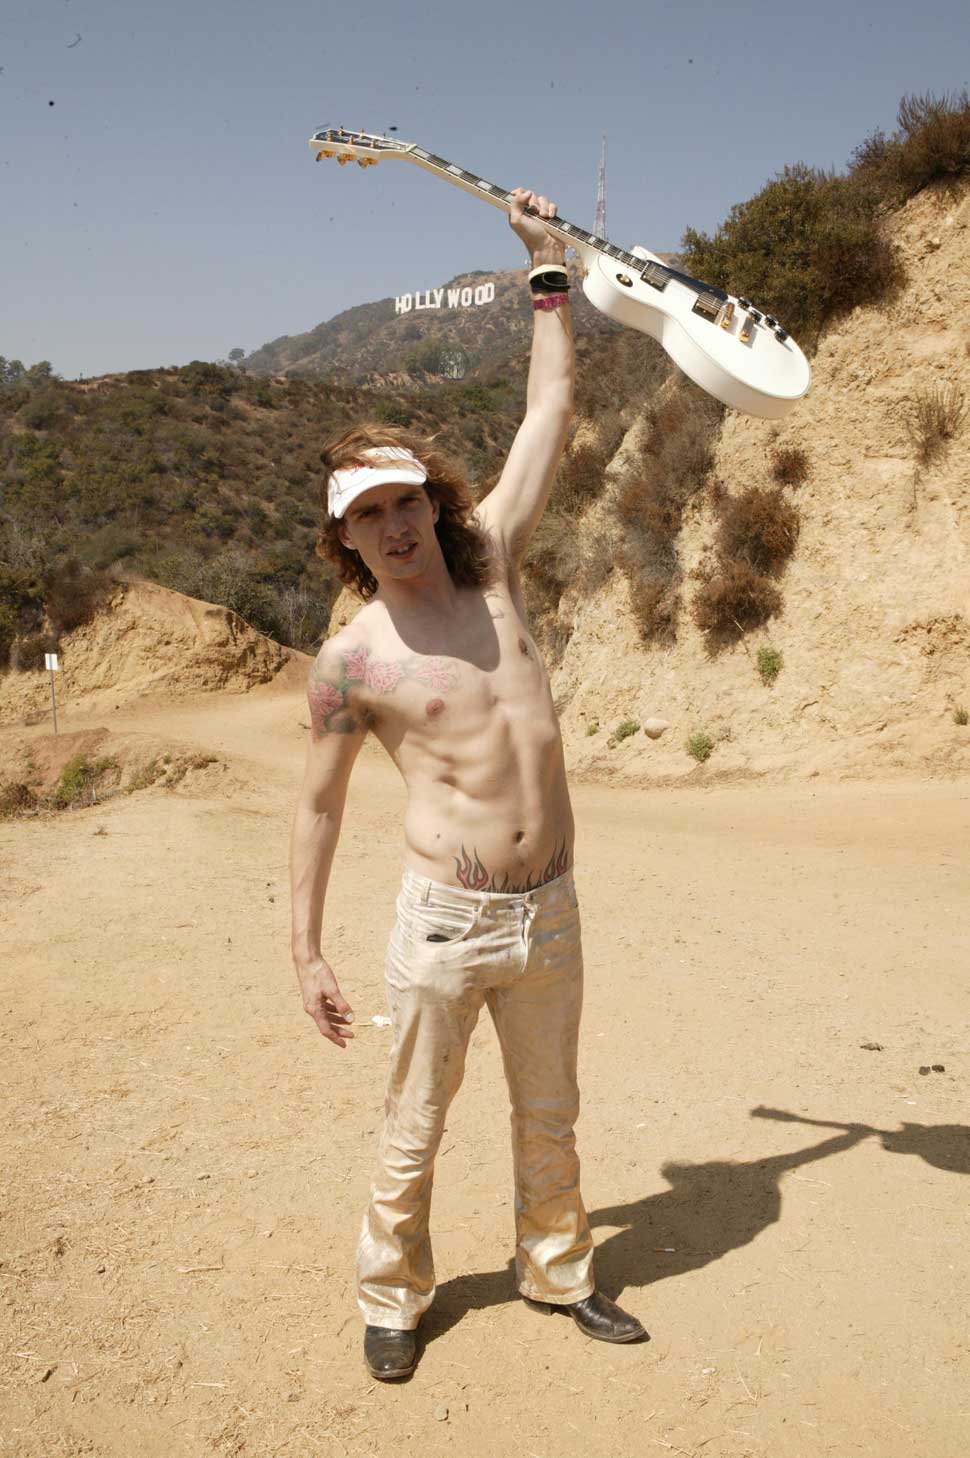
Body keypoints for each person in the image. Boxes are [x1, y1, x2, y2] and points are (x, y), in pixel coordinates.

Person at [290, 188, 646, 1381]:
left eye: (403, 501)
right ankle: (391, 1298)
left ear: (432, 500)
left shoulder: (496, 561)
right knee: (413, 1125)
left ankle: (560, 1275)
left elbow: (550, 404)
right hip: (443, 922)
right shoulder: (353, 660)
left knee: (552, 1113)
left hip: (550, 908)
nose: (392, 527)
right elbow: (320, 807)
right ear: (344, 542)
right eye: (366, 518)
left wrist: (546, 272)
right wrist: (306, 951)